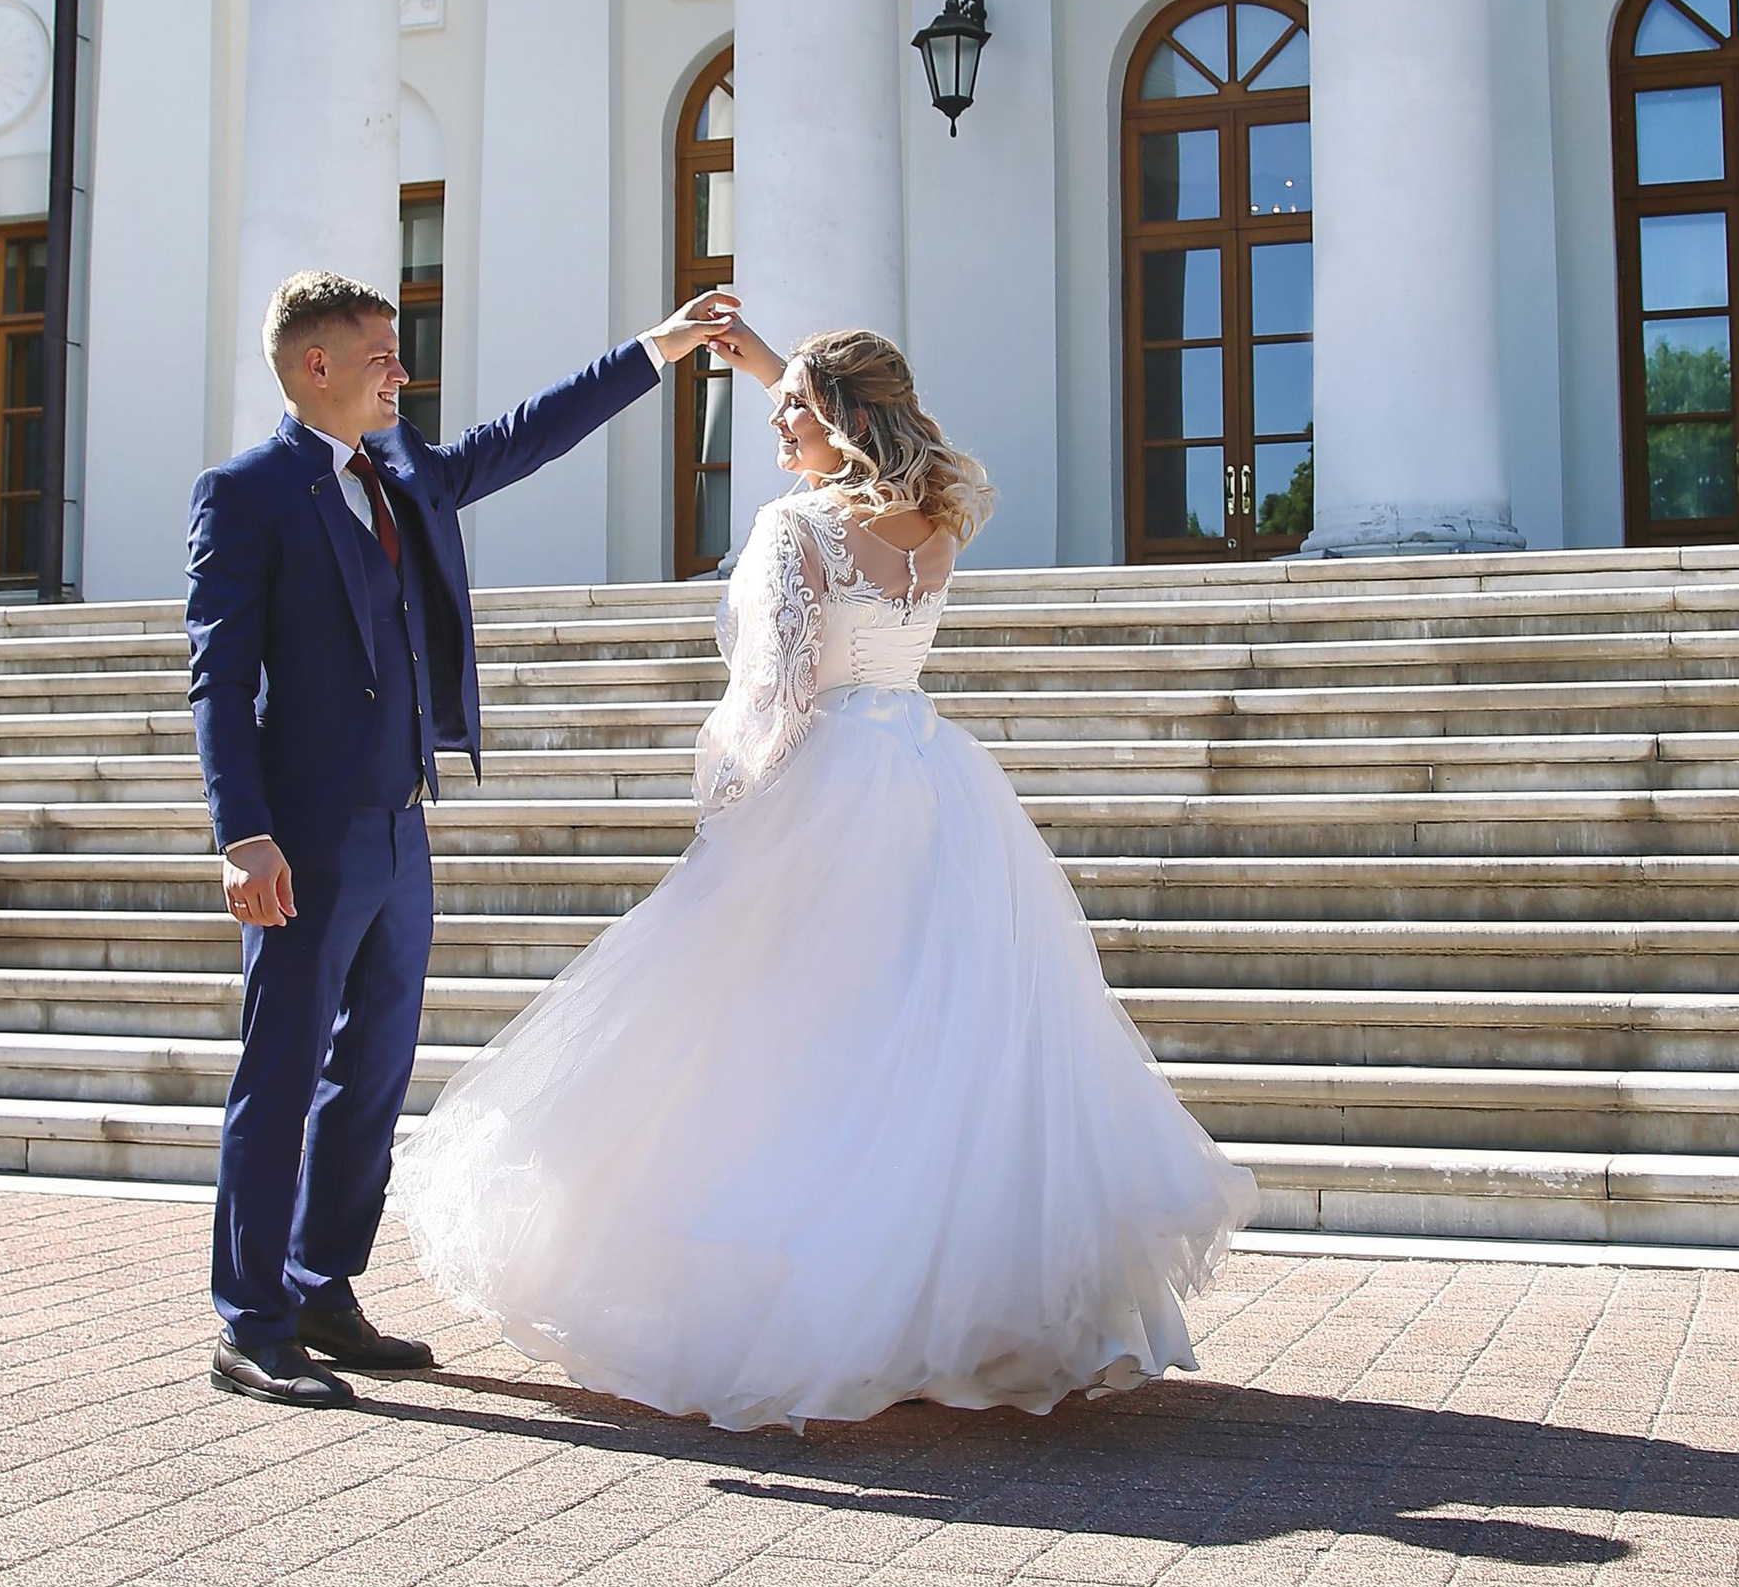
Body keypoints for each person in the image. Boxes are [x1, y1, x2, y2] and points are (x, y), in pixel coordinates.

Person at [395, 323, 1255, 1431]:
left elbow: (780, 693)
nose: (771, 419)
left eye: (789, 405)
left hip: (830, 779)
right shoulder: (937, 513)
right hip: (934, 777)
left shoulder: (792, 524)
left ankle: (808, 1307)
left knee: (781, 1036)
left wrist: (734, 805)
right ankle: (946, 1309)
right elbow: (853, 470)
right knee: (921, 1039)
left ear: (837, 418)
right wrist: (773, 361)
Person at [186, 267, 740, 1405]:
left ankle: (322, 1283)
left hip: (400, 829)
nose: (404, 370)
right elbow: (219, 677)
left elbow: (526, 435)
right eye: (381, 353)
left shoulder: (404, 473)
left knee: (373, 1072)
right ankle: (250, 1319)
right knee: (281, 1072)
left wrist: (661, 348)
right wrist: (243, 834)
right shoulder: (245, 494)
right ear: (315, 366)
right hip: (301, 836)